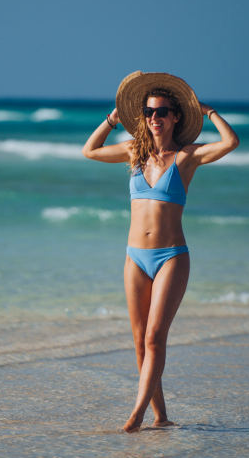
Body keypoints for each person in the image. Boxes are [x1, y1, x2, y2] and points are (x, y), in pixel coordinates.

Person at [82, 71, 239, 432]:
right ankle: (161, 417)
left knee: (155, 338)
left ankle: (135, 416)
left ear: (176, 117)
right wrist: (111, 120)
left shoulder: (187, 157)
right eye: (149, 111)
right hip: (134, 257)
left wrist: (209, 112)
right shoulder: (133, 152)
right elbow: (89, 150)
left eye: (163, 112)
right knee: (140, 342)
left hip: (171, 256)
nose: (155, 117)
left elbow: (231, 142)